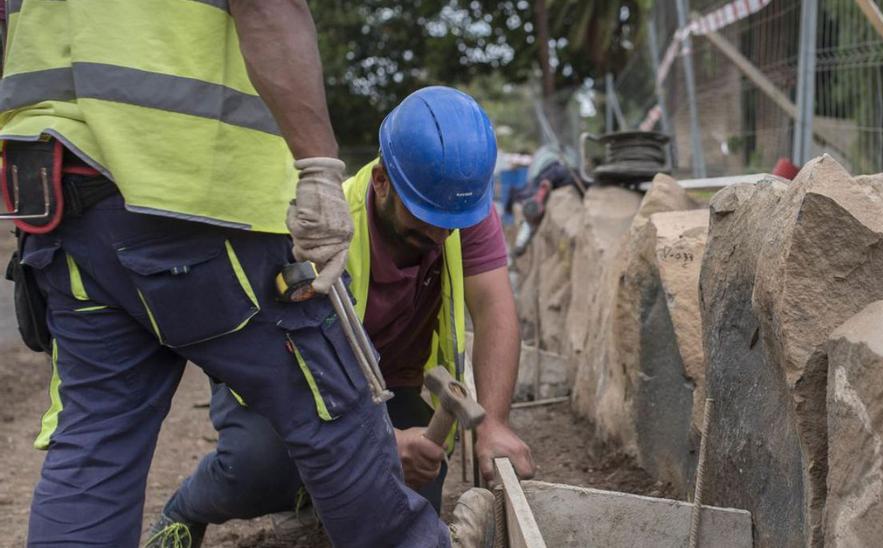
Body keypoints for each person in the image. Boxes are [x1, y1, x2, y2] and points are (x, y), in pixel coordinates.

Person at [0, 2, 445, 546]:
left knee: (95, 446)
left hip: (58, 200)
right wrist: (319, 170)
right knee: (339, 419)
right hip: (196, 194)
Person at [149, 87, 535, 546]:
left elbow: (495, 309)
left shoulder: (456, 211)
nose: (439, 235)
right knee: (257, 469)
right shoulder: (322, 237)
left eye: (451, 222)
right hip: (288, 373)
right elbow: (289, 369)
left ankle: (323, 499)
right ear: (381, 181)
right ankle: (186, 508)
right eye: (423, 220)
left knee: (411, 492)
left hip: (389, 381)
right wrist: (381, 444)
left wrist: (493, 422)